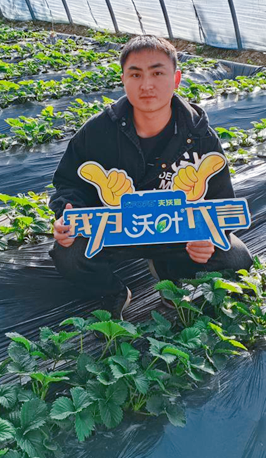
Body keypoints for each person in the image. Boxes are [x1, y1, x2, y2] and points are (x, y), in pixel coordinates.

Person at [49, 35, 253, 318]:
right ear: (123, 79)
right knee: (67, 254)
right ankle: (114, 292)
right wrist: (67, 214)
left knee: (236, 258)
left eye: (157, 73)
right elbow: (68, 183)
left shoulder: (199, 136)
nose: (147, 85)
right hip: (115, 233)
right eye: (136, 74)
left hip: (176, 235)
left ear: (176, 78)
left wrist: (206, 237)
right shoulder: (98, 132)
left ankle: (171, 277)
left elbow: (220, 200)